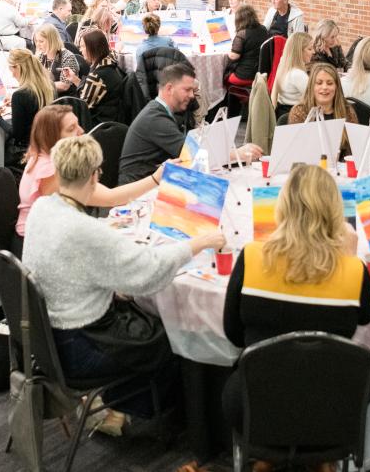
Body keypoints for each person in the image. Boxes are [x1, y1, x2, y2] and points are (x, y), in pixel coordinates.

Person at [22, 135, 224, 430]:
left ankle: (123, 403)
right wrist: (198, 243)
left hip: (48, 337)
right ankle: (125, 411)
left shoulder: (42, 209)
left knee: (141, 311)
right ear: (94, 175)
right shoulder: (84, 230)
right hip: (80, 344)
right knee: (171, 336)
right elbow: (149, 273)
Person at [222, 164, 370, 437]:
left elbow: (234, 334)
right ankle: (322, 457)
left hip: (257, 399)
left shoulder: (252, 257)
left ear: (283, 207)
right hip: (335, 404)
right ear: (334, 213)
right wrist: (350, 257)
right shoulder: (353, 270)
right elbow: (365, 316)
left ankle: (265, 457)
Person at [16, 105, 175, 245]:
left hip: (52, 234)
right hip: (37, 243)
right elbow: (111, 198)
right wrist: (155, 178)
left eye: (78, 124)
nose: (81, 131)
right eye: (71, 129)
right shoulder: (50, 171)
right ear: (52, 136)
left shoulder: (43, 155)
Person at [120, 63, 261, 184]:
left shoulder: (160, 112)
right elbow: (193, 155)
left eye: (193, 90)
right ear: (169, 89)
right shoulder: (155, 118)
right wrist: (239, 153)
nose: (192, 95)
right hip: (137, 191)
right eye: (187, 90)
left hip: (151, 180)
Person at [0, 49, 54, 174]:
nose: (12, 75)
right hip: (48, 144)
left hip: (27, 149)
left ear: (19, 68)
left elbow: (17, 134)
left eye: (12, 70)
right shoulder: (49, 86)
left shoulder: (20, 95)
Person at [287, 62, 358, 158]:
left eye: (330, 83)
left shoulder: (347, 112)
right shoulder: (299, 112)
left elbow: (353, 153)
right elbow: (297, 152)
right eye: (319, 83)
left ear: (337, 87)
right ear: (312, 87)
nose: (324, 87)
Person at [62, 30, 126, 126]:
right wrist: (74, 79)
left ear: (93, 48)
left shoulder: (98, 76)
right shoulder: (109, 64)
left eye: (83, 46)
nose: (80, 50)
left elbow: (82, 108)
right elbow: (91, 90)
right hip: (110, 120)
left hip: (99, 125)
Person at [225, 4, 270, 91]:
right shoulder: (263, 29)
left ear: (239, 19)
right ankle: (246, 99)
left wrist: (228, 52)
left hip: (245, 75)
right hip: (260, 74)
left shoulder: (242, 34)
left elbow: (234, 56)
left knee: (226, 78)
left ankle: (238, 100)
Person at [270, 31, 313, 114]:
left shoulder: (284, 66)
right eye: (310, 49)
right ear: (299, 51)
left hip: (281, 112)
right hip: (293, 117)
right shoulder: (297, 74)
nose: (313, 52)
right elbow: (315, 98)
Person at [34, 23, 79, 95]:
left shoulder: (67, 57)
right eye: (36, 41)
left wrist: (40, 86)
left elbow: (64, 85)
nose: (37, 45)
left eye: (41, 41)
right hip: (46, 95)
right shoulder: (41, 55)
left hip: (62, 99)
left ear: (52, 41)